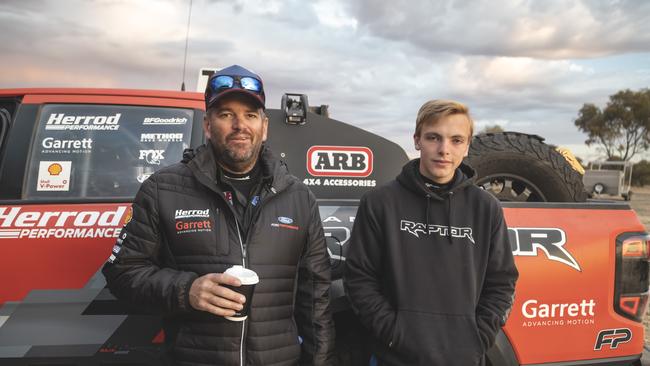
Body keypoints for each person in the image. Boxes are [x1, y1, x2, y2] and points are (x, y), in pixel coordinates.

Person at [102, 65, 334, 366]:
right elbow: (121, 273)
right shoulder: (162, 189)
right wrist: (187, 290)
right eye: (226, 114)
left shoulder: (299, 198)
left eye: (250, 115)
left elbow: (316, 299)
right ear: (208, 125)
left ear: (264, 127)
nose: (240, 125)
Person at [344, 99, 518, 365]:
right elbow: (359, 278)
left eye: (456, 140)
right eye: (433, 137)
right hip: (393, 356)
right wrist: (394, 333)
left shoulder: (486, 208)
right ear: (417, 140)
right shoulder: (380, 203)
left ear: (468, 145)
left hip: (465, 357)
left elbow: (502, 282)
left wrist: (478, 336)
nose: (444, 150)